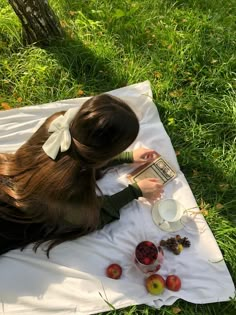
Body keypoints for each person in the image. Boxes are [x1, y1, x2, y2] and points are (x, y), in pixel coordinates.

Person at [0, 94, 163, 257]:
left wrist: (127, 157)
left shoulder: (58, 124)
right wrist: (134, 191)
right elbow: (93, 219)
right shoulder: (71, 189)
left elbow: (77, 154)